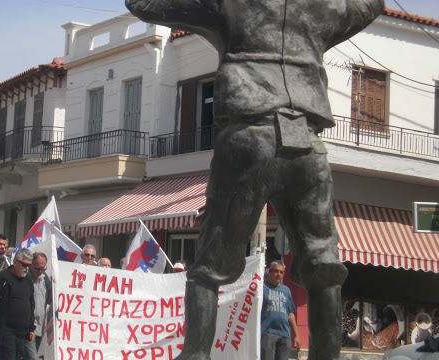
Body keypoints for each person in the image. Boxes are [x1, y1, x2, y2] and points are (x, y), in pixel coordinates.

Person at [125, 0, 384, 359]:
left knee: (208, 268)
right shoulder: (324, 8)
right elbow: (372, 5)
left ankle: (197, 355)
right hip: (308, 146)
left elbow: (143, 4)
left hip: (250, 136)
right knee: (324, 265)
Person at [0, 248, 36, 360]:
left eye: (29, 265)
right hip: (5, 331)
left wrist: (31, 328)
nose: (27, 268)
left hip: (22, 332)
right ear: (15, 262)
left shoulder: (28, 281)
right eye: (24, 264)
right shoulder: (1, 279)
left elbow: (31, 305)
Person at [261, 261, 300, 360]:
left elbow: (290, 314)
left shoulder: (286, 290)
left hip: (285, 334)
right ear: (270, 271)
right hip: (267, 332)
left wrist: (296, 335)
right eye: (276, 271)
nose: (278, 274)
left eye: (281, 272)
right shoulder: (262, 287)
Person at [25, 252, 52, 359]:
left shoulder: (45, 278)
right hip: (27, 326)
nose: (40, 271)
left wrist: (55, 285)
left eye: (43, 268)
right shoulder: (25, 278)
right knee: (32, 357)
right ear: (30, 264)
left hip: (40, 326)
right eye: (37, 268)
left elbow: (49, 301)